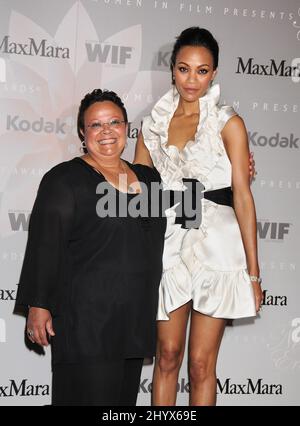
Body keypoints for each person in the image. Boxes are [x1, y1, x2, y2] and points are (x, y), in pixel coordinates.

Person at [134, 27, 262, 406]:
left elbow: (242, 197)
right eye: (184, 69)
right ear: (172, 69)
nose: (192, 79)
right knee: (167, 355)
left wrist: (253, 273)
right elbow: (141, 196)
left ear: (215, 73)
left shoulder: (228, 123)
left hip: (218, 248)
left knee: (202, 364)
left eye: (202, 71)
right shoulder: (151, 126)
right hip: (168, 244)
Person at [15, 89, 166, 406]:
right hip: (87, 323)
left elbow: (189, 211)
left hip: (133, 319)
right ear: (83, 133)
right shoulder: (65, 179)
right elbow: (46, 243)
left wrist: (233, 175)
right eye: (96, 125)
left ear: (127, 128)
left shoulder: (149, 180)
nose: (107, 131)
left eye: (114, 122)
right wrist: (38, 305)